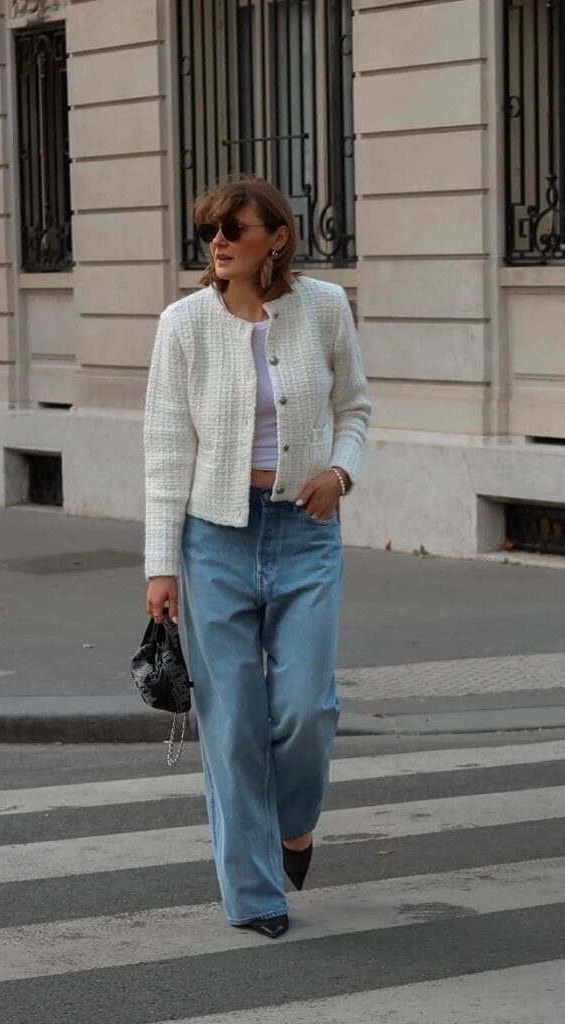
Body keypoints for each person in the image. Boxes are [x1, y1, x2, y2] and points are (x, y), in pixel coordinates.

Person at [142, 176, 371, 938]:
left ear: (277, 237)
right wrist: (160, 565)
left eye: (234, 229)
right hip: (214, 540)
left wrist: (340, 474)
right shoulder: (183, 325)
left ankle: (295, 826)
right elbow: (167, 449)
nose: (218, 243)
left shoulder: (325, 308)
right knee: (233, 720)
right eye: (211, 231)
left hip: (305, 533)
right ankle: (256, 895)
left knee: (308, 708)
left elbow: (355, 410)